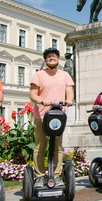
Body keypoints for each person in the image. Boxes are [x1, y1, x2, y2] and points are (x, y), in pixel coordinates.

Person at [30, 48, 74, 188]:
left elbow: (69, 91)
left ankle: (56, 176)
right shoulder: (39, 75)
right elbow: (33, 94)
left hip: (58, 116)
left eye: (54, 56)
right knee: (40, 147)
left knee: (57, 147)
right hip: (41, 115)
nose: (51, 58)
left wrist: (69, 100)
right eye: (48, 56)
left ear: (58, 58)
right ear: (45, 60)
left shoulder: (65, 74)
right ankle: (39, 177)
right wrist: (41, 101)